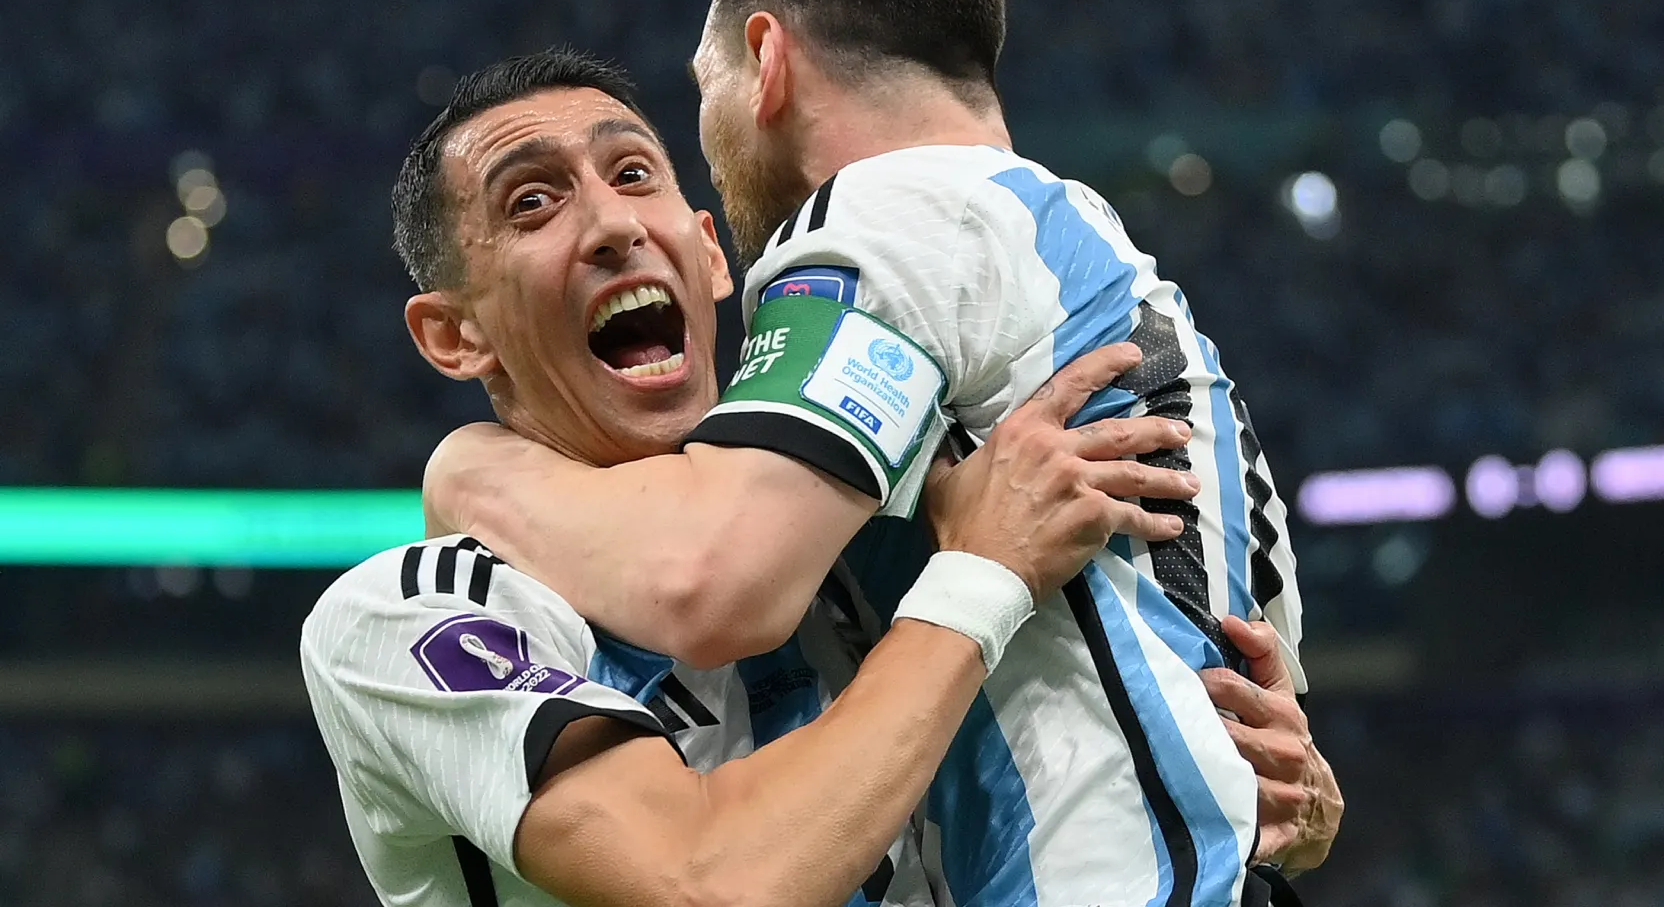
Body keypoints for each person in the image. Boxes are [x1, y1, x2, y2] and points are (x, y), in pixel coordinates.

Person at [428, 0, 1342, 905]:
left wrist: (473, 473)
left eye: (703, 91)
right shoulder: (1081, 265)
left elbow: (711, 586)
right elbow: (1269, 734)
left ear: (766, 59)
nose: (705, 144)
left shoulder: (888, 215)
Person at [301, 52, 1210, 907]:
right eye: (532, 203)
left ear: (709, 255)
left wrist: (1233, 777)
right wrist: (981, 577)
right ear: (454, 335)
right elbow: (708, 881)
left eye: (632, 175)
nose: (614, 226)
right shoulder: (402, 618)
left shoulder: (845, 549)